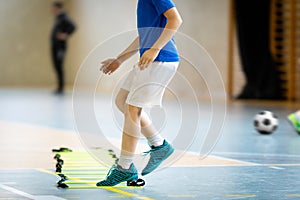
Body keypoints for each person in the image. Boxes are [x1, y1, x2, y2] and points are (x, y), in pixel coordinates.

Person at [96, 0, 183, 186]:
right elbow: (144, 36)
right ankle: (159, 145)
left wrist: (155, 49)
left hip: (161, 60)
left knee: (132, 108)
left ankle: (125, 167)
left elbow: (175, 20)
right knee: (122, 101)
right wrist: (120, 59)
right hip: (152, 59)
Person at [51, 2, 76, 94]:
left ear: (58, 8)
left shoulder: (63, 17)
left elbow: (73, 26)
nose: (52, 10)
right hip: (56, 46)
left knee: (59, 66)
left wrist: (65, 35)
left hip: (60, 47)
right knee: (57, 66)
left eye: (53, 8)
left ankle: (60, 88)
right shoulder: (58, 18)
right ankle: (59, 87)